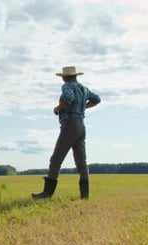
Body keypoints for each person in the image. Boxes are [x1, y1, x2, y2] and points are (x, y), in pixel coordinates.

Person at [32, 66, 101, 200]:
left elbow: (68, 98)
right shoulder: (84, 89)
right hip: (81, 124)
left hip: (70, 123)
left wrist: (57, 108)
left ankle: (47, 193)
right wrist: (83, 106)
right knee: (81, 162)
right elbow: (97, 99)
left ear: (65, 77)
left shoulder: (67, 86)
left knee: (56, 159)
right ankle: (84, 196)